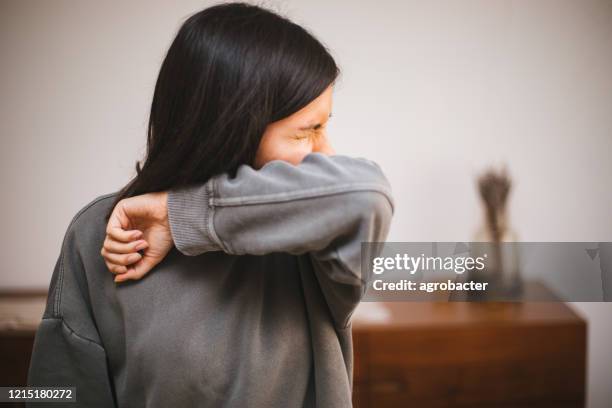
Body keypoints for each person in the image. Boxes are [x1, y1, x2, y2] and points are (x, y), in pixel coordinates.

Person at [27, 2, 394, 407]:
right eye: (309, 131)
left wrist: (179, 215)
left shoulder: (314, 244)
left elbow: (366, 194)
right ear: (233, 127)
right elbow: (57, 393)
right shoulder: (102, 232)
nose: (327, 153)